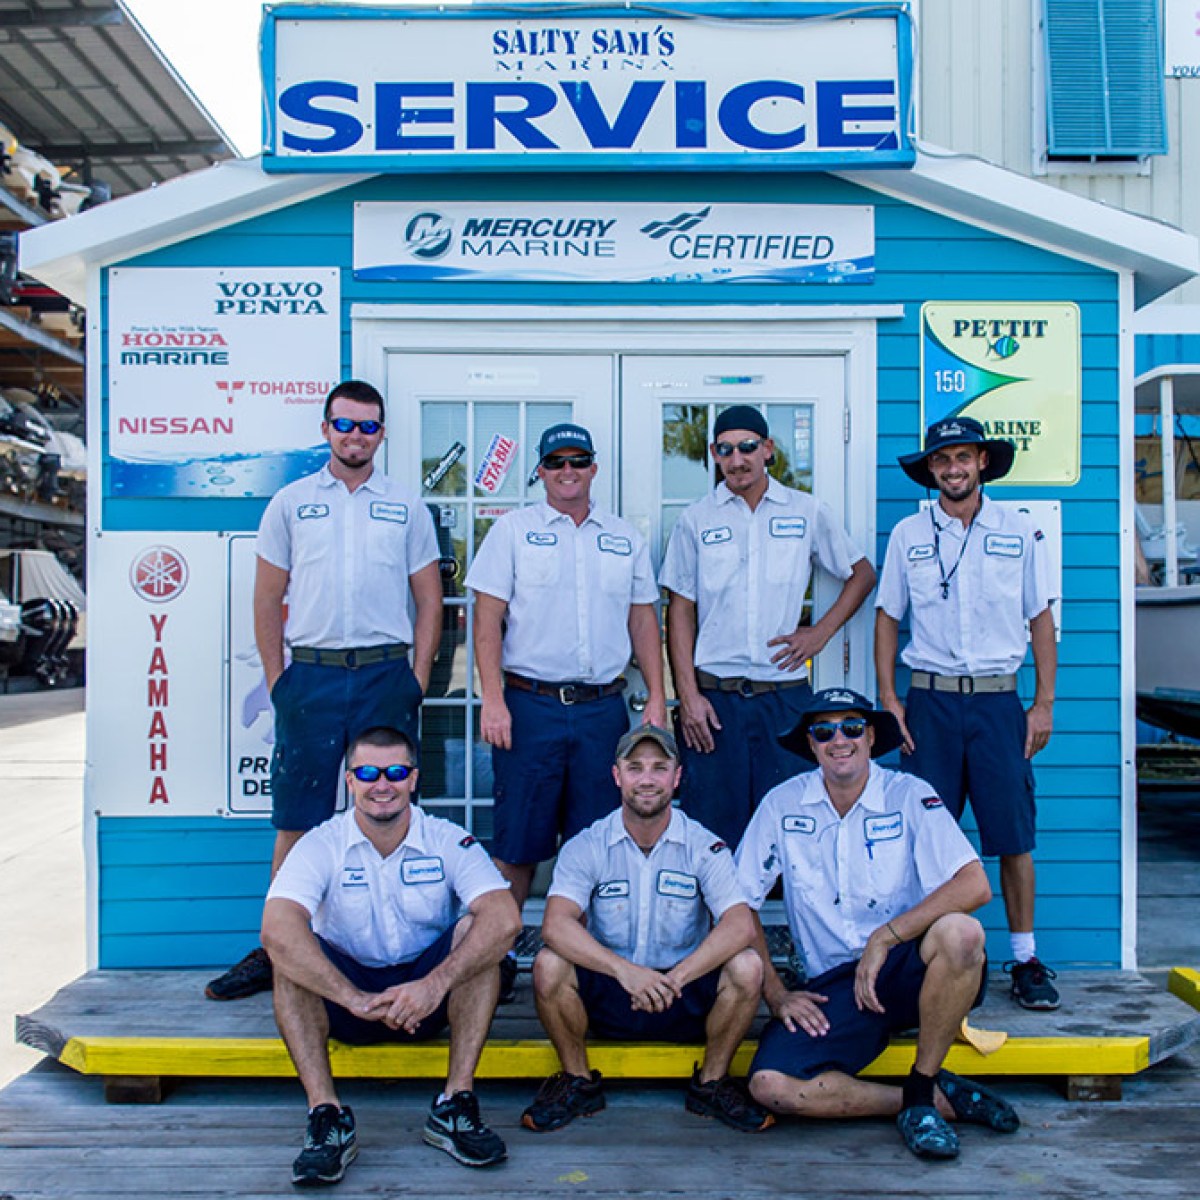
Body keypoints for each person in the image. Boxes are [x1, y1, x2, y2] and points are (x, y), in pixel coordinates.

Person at [206, 380, 443, 1002]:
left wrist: (415, 678)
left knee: (390, 811)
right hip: (308, 676)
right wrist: (279, 679)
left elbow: (428, 600)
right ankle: (279, 950)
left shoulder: (406, 506)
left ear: (382, 434)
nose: (355, 436)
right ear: (326, 429)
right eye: (345, 424)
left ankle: (401, 946)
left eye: (368, 426)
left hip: (384, 675)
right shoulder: (289, 502)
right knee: (298, 818)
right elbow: (266, 597)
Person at [735, 688, 1020, 1160]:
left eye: (851, 727)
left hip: (907, 970)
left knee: (963, 933)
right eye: (824, 731)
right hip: (834, 990)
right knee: (770, 1086)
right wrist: (775, 991)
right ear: (811, 744)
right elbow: (739, 904)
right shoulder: (781, 804)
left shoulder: (909, 795)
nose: (838, 740)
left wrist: (885, 938)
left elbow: (974, 885)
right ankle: (924, 1102)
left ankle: (924, 1079)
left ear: (870, 737)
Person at [262, 726, 521, 1186]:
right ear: (350, 782)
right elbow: (276, 929)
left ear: (414, 779)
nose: (382, 784)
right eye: (368, 772)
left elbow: (504, 919)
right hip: (348, 998)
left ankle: (454, 1104)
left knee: (476, 936)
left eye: (396, 772)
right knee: (290, 957)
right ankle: (326, 1117)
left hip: (427, 997)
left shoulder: (447, 838)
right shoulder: (319, 843)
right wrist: (354, 998)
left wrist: (432, 986)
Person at [466, 422, 667, 989]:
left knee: (600, 842)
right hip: (529, 707)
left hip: (603, 710)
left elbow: (642, 619)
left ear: (593, 468)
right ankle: (496, 962)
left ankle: (591, 963)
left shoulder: (623, 537)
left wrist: (655, 694)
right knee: (517, 846)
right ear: (541, 471)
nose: (568, 471)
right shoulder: (512, 531)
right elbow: (486, 621)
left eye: (578, 460)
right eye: (556, 462)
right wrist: (493, 700)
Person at [875, 416, 1060, 1010]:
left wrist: (1043, 704)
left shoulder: (1020, 531)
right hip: (929, 702)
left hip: (998, 702)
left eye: (963, 458)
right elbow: (886, 616)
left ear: (982, 462)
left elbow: (1040, 621)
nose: (953, 469)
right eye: (941, 460)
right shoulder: (908, 533)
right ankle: (940, 954)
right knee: (926, 839)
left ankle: (1026, 959)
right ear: (930, 470)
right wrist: (890, 699)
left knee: (1012, 835)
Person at [522, 724, 773, 1135]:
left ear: (676, 778)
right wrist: (625, 972)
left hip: (685, 994)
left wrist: (674, 978)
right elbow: (555, 925)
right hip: (611, 993)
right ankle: (578, 1082)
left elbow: (740, 924)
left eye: (660, 768)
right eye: (635, 767)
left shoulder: (704, 845)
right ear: (617, 776)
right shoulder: (587, 844)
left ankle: (710, 1085)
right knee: (549, 964)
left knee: (747, 966)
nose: (647, 779)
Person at [660, 404, 876, 846]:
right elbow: (680, 609)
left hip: (785, 699)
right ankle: (721, 919)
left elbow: (862, 574)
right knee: (712, 834)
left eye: (747, 447)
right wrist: (689, 695)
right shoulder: (696, 520)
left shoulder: (806, 511)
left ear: (768, 449)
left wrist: (820, 633)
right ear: (714, 455)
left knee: (794, 829)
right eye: (725, 449)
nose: (736, 459)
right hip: (715, 704)